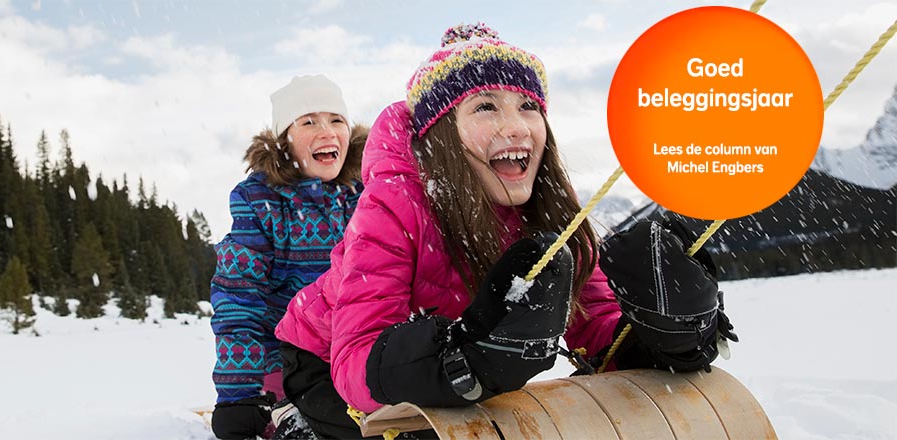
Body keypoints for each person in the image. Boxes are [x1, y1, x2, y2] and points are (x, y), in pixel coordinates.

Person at [273, 23, 735, 439]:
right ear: (443, 134)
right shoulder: (396, 202)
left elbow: (594, 325)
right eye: (486, 107)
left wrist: (658, 339)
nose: (515, 126)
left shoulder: (548, 208)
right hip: (322, 356)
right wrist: (465, 356)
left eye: (528, 106)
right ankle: (296, 420)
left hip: (415, 359)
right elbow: (355, 362)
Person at [210, 74, 368, 440]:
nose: (326, 131)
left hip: (357, 352)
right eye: (308, 121)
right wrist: (240, 393)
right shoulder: (258, 203)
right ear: (285, 141)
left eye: (336, 119)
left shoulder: (368, 195)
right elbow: (238, 297)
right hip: (283, 360)